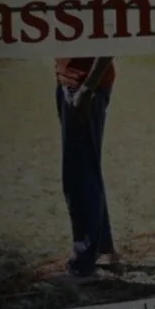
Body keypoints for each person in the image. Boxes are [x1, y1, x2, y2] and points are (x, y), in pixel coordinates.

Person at [54, 55, 118, 277]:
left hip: (84, 87)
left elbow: (109, 42)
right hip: (71, 82)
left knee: (79, 177)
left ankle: (83, 265)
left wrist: (88, 88)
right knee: (86, 169)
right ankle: (102, 248)